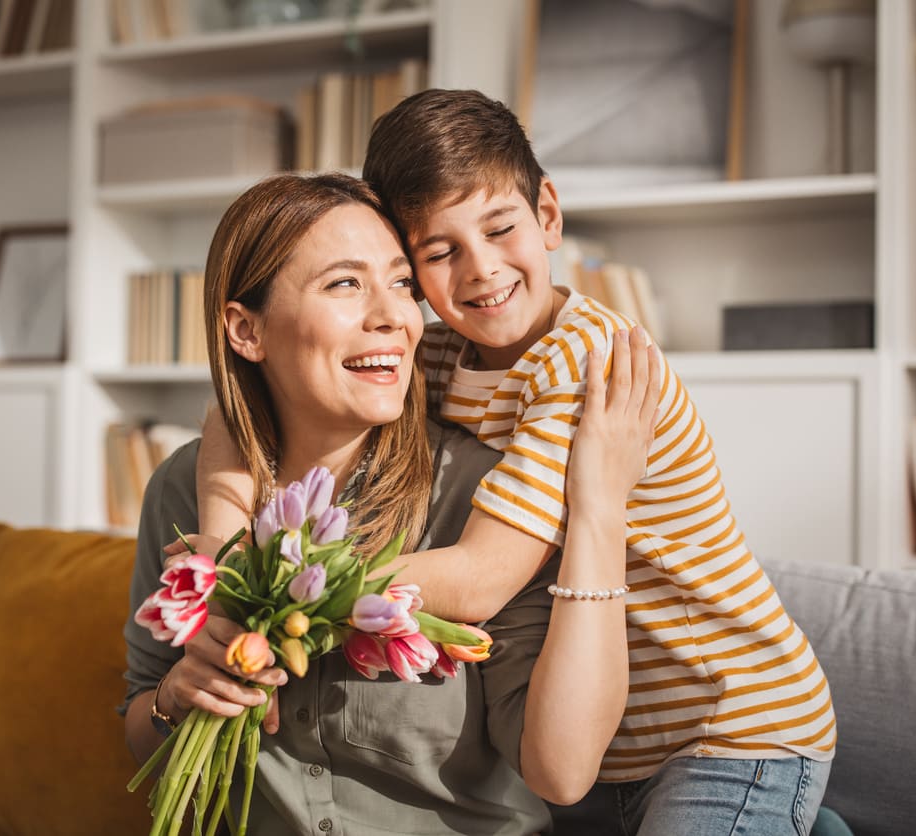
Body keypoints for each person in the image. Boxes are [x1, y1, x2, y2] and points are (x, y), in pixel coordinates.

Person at [122, 172, 661, 833]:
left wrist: (600, 508)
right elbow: (143, 719)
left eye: (403, 283)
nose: (392, 316)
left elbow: (563, 769)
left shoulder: (480, 495)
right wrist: (175, 701)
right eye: (345, 284)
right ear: (246, 330)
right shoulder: (186, 487)